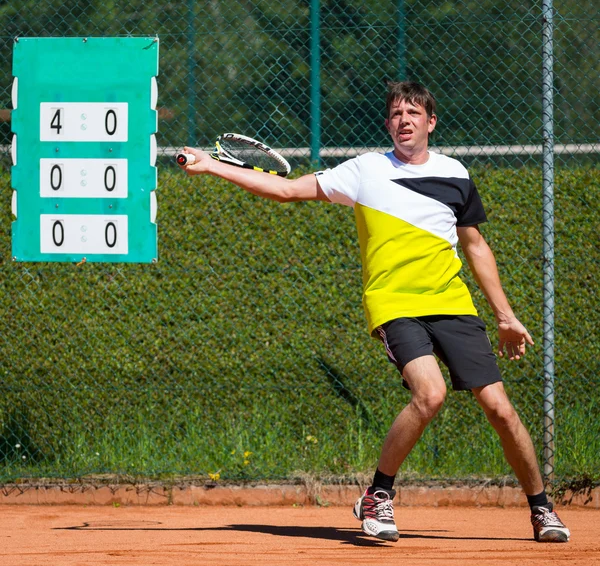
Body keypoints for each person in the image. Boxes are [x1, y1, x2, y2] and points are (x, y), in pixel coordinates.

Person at [179, 81, 570, 544]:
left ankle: (542, 509)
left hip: (452, 304)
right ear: (388, 124)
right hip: (394, 304)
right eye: (396, 114)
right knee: (430, 395)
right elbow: (287, 190)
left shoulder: (456, 174)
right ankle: (378, 495)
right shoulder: (364, 171)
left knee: (501, 410)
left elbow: (475, 246)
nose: (404, 120)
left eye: (414, 112)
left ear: (431, 122)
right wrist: (214, 167)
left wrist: (505, 315)